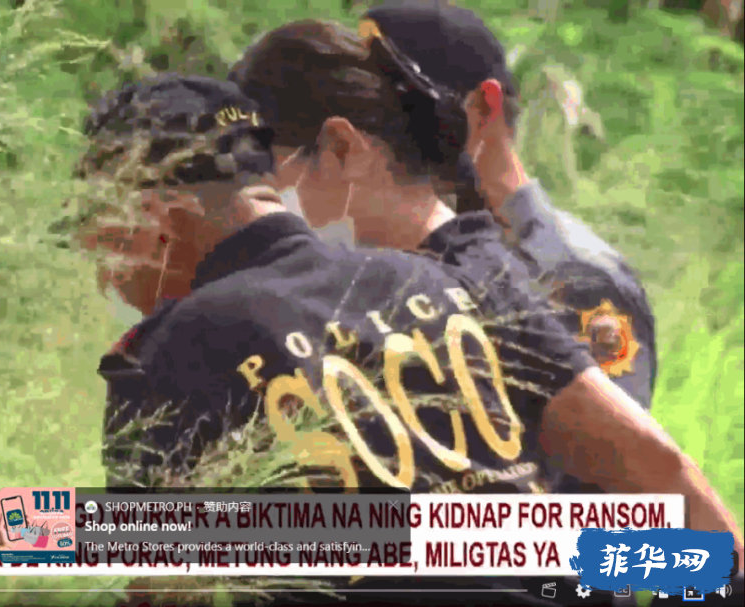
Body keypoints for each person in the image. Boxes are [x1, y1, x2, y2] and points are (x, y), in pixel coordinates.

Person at [74, 73, 743, 606]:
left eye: (97, 230)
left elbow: (165, 589)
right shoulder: (447, 280)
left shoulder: (171, 352)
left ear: (153, 213)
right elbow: (653, 460)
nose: (99, 265)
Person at [227, 4, 658, 501]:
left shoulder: (572, 275)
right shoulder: (378, 259)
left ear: (482, 108)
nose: (379, 119)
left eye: (400, 98)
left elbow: (612, 484)